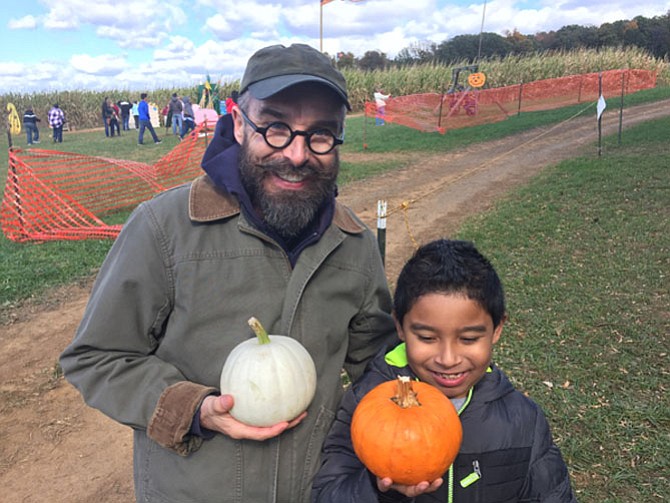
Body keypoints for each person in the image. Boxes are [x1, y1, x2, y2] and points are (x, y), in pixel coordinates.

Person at [59, 43, 397, 502]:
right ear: (238, 123)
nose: (297, 154)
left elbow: (378, 360)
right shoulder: (165, 228)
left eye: (319, 134)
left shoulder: (354, 245)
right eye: (275, 127)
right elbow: (96, 356)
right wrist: (193, 409)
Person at [312, 239, 577, 503]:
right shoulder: (365, 404)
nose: (448, 359)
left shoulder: (522, 421)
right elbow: (328, 493)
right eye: (427, 338)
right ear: (400, 327)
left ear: (496, 329)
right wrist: (381, 489)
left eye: (469, 339)